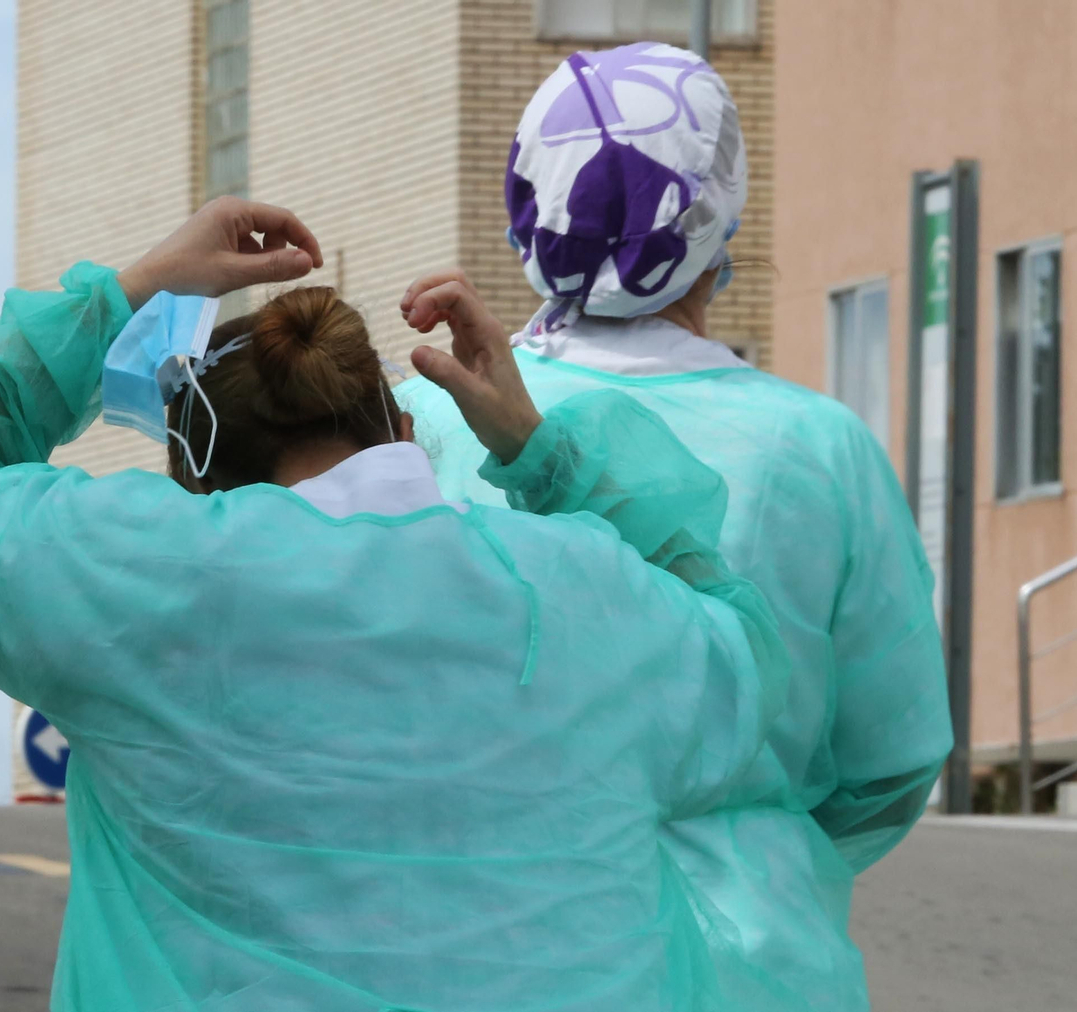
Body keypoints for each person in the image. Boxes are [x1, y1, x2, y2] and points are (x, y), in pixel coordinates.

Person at [0, 196, 793, 1010]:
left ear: (197, 476)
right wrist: (539, 450)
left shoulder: (145, 575)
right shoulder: (588, 594)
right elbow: (750, 671)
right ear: (400, 425)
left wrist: (135, 288)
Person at [396, 43, 953, 1010]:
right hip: (753, 962)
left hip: (463, 949)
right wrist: (760, 846)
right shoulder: (819, 447)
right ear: (716, 210)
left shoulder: (418, 421)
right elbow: (889, 760)